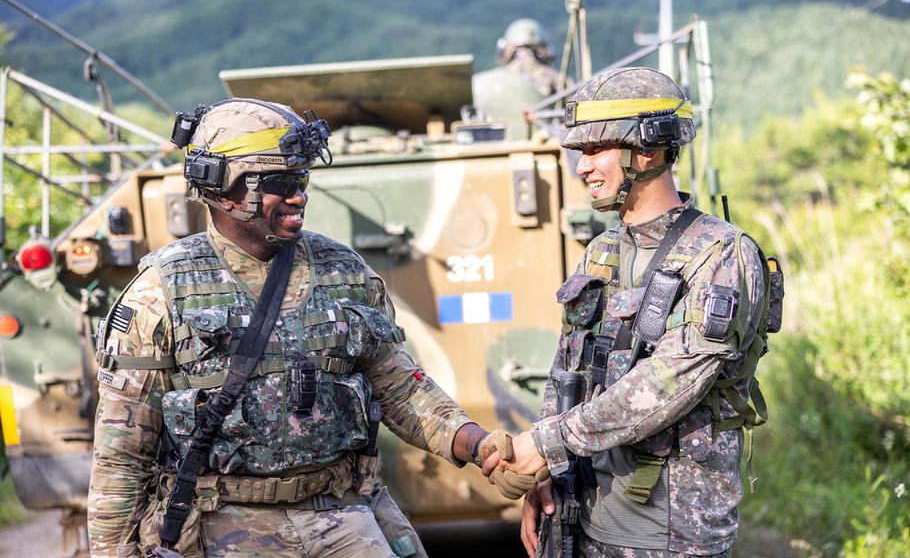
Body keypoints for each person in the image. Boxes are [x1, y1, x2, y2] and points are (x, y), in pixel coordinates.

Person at [87, 98, 524, 558]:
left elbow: (399, 388)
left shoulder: (345, 272)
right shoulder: (161, 292)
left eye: (301, 179)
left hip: (342, 513)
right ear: (221, 189)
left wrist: (479, 446)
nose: (299, 195)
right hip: (223, 525)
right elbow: (122, 452)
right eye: (279, 183)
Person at [485, 67, 774, 557]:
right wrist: (546, 476)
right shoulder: (601, 252)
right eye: (580, 153)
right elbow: (568, 369)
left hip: (668, 528)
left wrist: (547, 443)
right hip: (585, 512)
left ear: (647, 149)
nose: (582, 168)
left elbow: (667, 382)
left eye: (596, 150)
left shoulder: (722, 255)